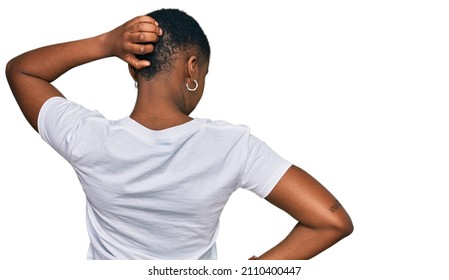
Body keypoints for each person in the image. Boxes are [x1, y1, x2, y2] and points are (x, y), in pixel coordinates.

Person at [6, 8, 352, 260]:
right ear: (192, 68)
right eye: (205, 71)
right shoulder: (232, 147)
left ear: (132, 67)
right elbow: (330, 221)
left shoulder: (86, 138)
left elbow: (21, 71)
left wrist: (106, 43)